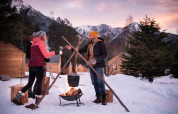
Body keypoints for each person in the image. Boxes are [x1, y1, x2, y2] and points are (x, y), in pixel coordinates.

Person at [12, 31, 59, 106]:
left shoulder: (33, 44)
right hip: (38, 66)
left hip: (31, 65)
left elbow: (36, 55)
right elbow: (46, 55)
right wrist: (55, 52)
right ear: (42, 36)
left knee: (30, 83)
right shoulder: (41, 43)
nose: (46, 37)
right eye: (45, 36)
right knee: (39, 83)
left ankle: (17, 98)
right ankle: (37, 102)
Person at [66, 31, 107, 105]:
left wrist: (97, 60)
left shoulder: (101, 44)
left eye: (90, 36)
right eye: (88, 36)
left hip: (98, 65)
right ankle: (98, 98)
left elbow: (105, 54)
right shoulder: (89, 44)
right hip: (91, 65)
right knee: (94, 82)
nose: (88, 37)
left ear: (94, 37)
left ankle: (104, 99)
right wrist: (72, 49)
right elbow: (80, 50)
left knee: (100, 82)